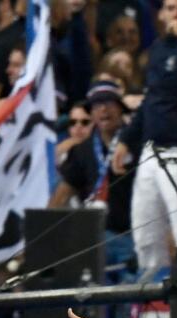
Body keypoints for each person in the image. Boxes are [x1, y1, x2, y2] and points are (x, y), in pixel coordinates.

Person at [112, 0, 177, 277]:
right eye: (170, 9)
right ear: (161, 13)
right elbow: (151, 100)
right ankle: (150, 300)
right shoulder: (157, 49)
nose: (175, 15)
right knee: (144, 229)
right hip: (151, 150)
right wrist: (126, 138)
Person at [49, 80, 134, 268]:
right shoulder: (81, 151)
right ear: (92, 114)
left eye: (109, 103)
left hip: (133, 234)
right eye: (97, 105)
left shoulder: (136, 143)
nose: (103, 109)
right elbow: (63, 193)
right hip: (93, 237)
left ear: (120, 109)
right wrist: (45, 234)